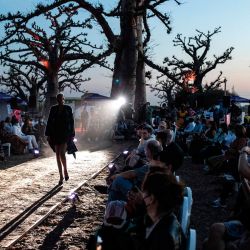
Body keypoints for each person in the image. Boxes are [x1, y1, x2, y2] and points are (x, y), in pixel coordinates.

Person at [140, 172, 186, 250]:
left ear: (151, 198)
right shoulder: (170, 218)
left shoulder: (162, 238)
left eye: (143, 192)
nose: (141, 195)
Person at [45, 93, 75, 185]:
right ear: (57, 100)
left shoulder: (68, 108)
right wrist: (48, 134)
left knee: (62, 153)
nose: (59, 100)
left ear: (63, 99)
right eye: (58, 99)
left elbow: (71, 121)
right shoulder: (53, 109)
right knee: (57, 155)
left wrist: (72, 133)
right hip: (55, 133)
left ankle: (65, 170)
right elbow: (49, 121)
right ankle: (61, 176)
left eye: (61, 98)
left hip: (65, 133)